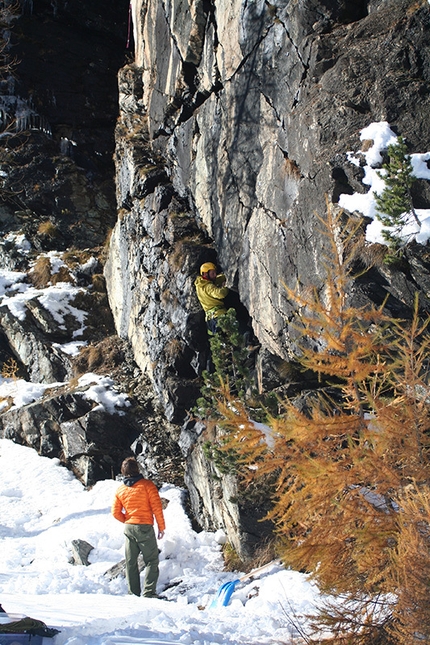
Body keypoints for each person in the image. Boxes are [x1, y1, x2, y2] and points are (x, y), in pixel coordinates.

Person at [111, 457, 166, 598]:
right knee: (151, 560)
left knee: (130, 562)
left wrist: (128, 521)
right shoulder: (147, 485)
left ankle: (133, 593)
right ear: (137, 469)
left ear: (123, 472)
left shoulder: (121, 490)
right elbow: (157, 507)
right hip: (144, 527)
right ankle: (148, 592)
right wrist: (161, 527)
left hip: (129, 528)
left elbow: (115, 512)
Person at [194, 262, 229, 335]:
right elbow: (220, 294)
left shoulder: (200, 285)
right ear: (206, 274)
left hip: (210, 321)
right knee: (240, 331)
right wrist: (225, 287)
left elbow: (216, 280)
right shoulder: (208, 287)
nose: (215, 275)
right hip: (218, 316)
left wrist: (223, 276)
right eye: (213, 273)